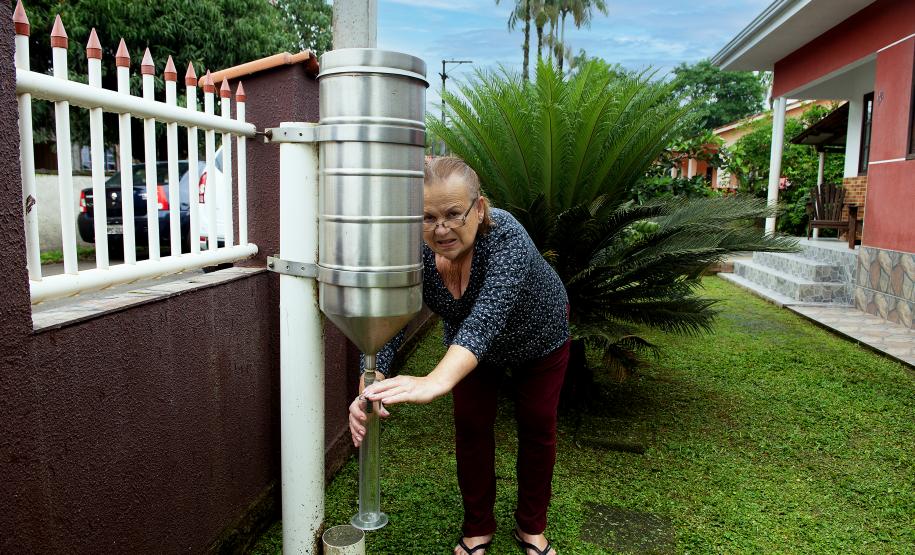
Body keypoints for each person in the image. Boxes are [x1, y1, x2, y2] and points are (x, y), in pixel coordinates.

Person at [349, 156, 570, 555]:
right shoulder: (415, 251)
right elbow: (394, 316)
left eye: (454, 213)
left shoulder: (506, 238)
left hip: (539, 336)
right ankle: (478, 528)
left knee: (538, 424)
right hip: (470, 352)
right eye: (428, 217)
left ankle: (532, 528)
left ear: (479, 208)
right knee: (471, 426)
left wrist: (435, 381)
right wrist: (373, 375)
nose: (441, 229)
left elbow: (484, 320)